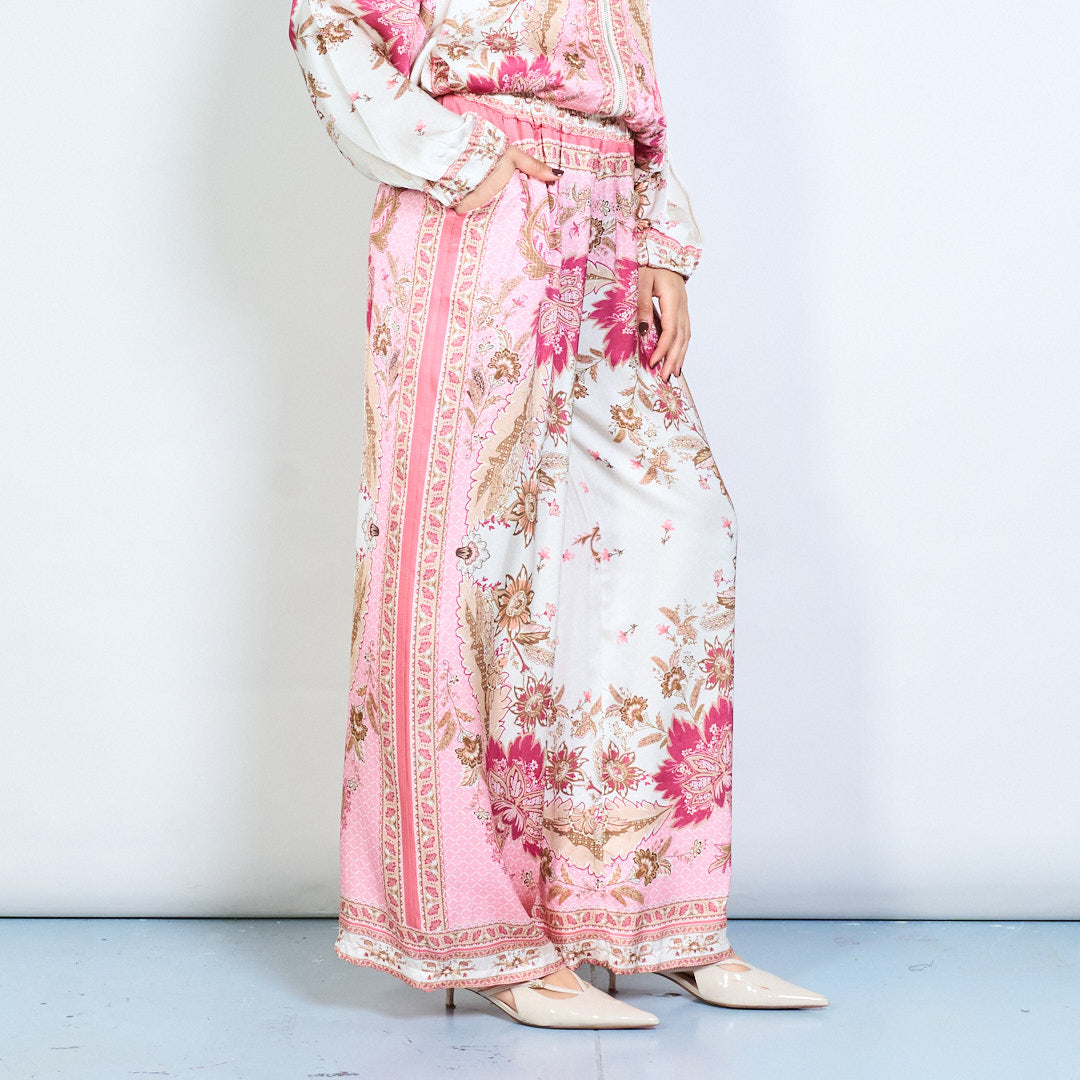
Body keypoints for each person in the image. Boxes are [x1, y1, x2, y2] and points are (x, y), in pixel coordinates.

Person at [288, 0, 828, 1029]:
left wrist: (659, 232)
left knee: (672, 530)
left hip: (611, 208)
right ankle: (473, 932)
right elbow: (329, 20)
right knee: (460, 548)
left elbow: (621, 69)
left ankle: (646, 918)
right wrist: (458, 155)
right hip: (479, 208)